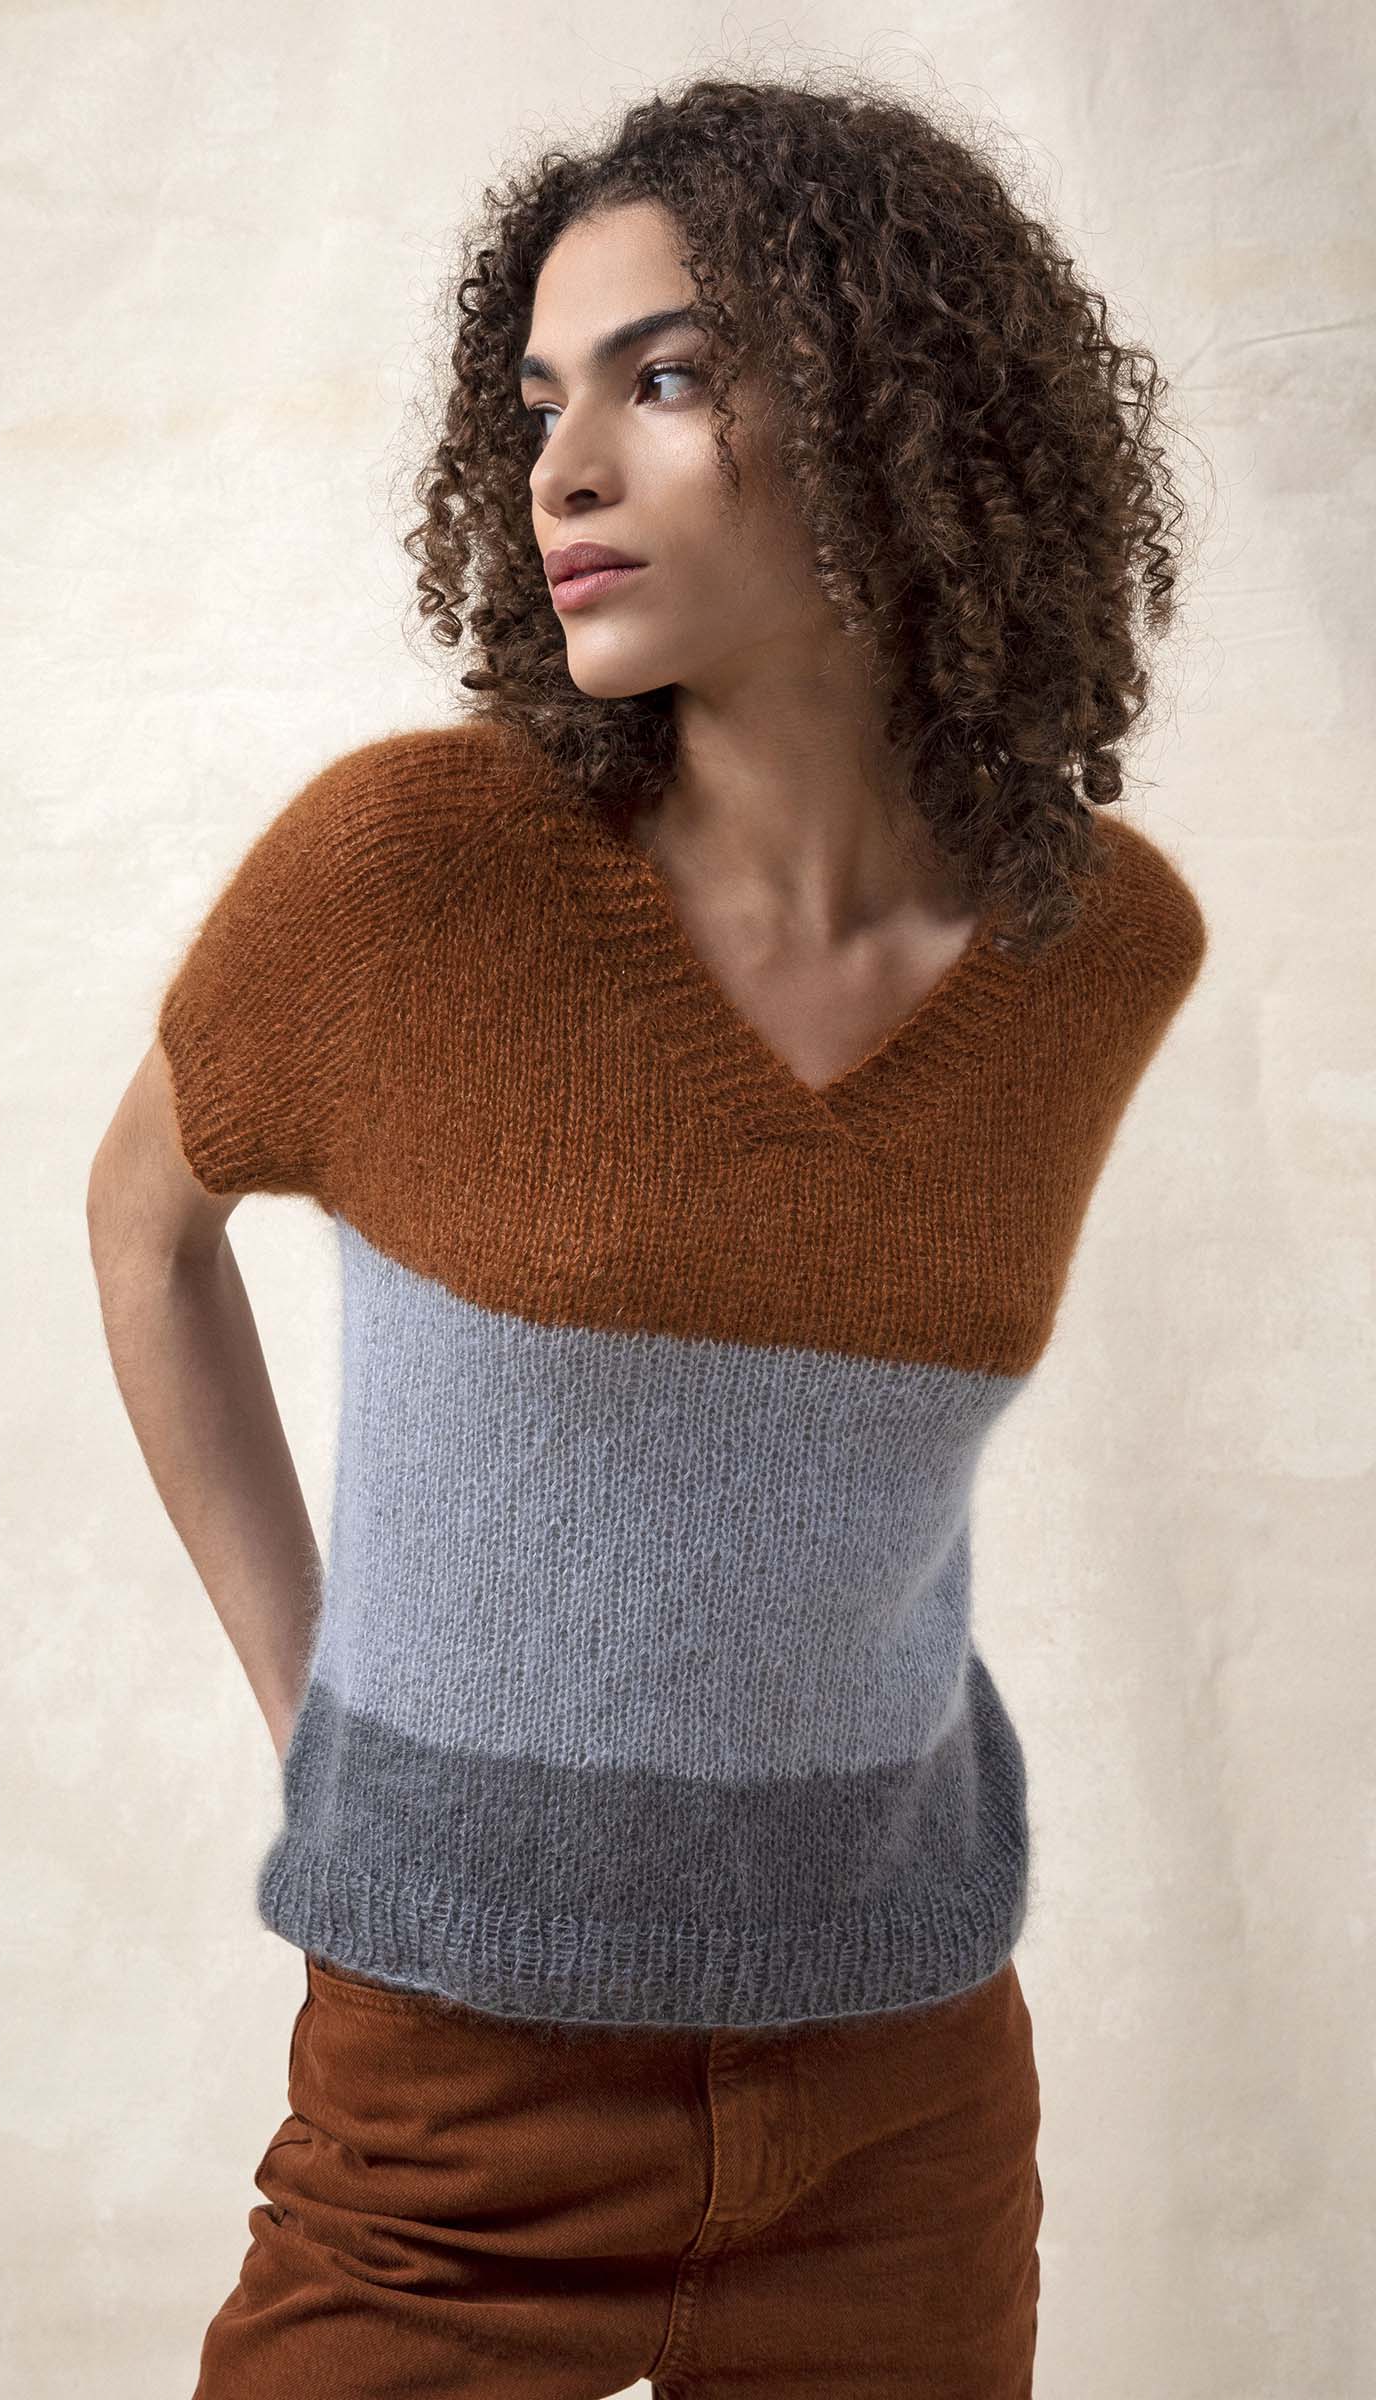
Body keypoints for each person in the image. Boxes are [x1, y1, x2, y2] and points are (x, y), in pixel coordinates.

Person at [86, 68, 1210, 2400]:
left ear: (898, 418)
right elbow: (142, 1238)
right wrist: (314, 1704)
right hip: (450, 2095)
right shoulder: (405, 874)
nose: (561, 469)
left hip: (900, 2095)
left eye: (664, 377)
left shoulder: (1094, 946)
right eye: (537, 405)